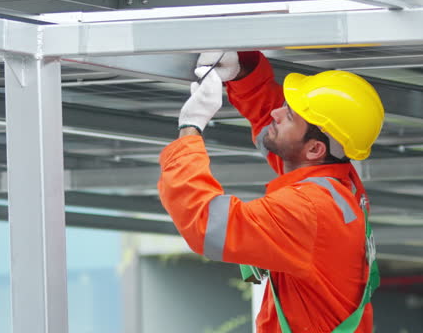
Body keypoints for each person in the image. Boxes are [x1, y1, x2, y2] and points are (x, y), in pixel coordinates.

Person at [158, 50, 385, 333]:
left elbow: (206, 224)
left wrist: (190, 127)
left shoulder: (309, 208)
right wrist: (242, 74)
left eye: (288, 115)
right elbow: (280, 133)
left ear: (316, 149)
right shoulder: (339, 185)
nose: (277, 113)